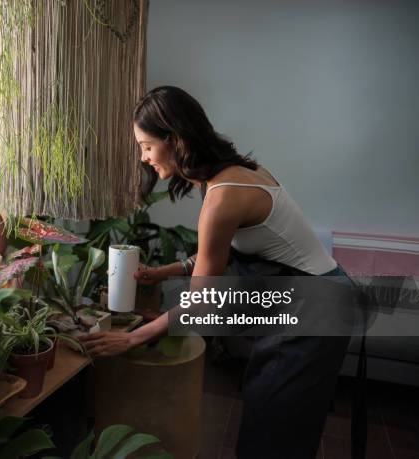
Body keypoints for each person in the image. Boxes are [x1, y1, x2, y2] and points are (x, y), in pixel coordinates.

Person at [79, 86, 352, 458]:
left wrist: (131, 338)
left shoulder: (223, 197)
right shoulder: (229, 176)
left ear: (174, 139)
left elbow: (203, 301)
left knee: (273, 432)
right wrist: (162, 273)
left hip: (314, 310)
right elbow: (221, 256)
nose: (143, 157)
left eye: (145, 146)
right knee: (274, 419)